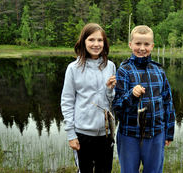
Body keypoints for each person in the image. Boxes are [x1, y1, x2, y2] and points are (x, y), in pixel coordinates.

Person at [112, 25, 175, 173]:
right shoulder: (123, 71)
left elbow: (168, 103)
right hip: (129, 135)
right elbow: (117, 107)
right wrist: (131, 95)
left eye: (146, 44)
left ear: (152, 46)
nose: (142, 48)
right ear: (130, 45)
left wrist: (169, 132)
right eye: (138, 44)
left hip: (156, 133)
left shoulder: (159, 71)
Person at [61, 23, 116, 173]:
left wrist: (110, 90)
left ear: (104, 43)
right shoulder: (73, 68)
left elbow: (111, 101)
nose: (96, 44)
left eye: (100, 40)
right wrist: (71, 134)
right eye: (91, 40)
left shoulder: (110, 66)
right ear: (83, 41)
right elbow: (67, 101)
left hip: (106, 134)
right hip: (82, 134)